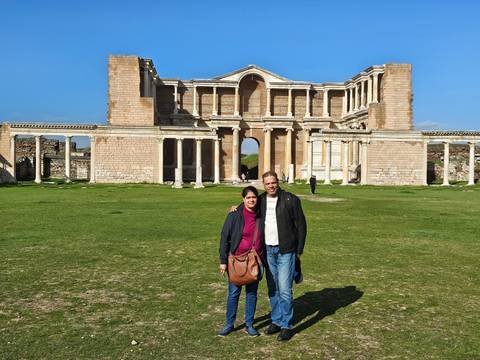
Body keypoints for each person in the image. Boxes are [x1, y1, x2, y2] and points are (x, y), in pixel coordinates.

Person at [260, 171, 307, 341]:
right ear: (263, 185)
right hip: (268, 250)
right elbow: (247, 206)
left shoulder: (290, 199)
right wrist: (236, 208)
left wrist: (299, 249)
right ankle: (277, 320)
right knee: (273, 288)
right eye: (267, 184)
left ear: (277, 182)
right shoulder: (261, 200)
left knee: (285, 289)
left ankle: (287, 325)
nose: (271, 186)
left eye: (273, 182)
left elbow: (301, 225)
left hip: (286, 250)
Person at [218, 186, 264, 337]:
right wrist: (223, 261)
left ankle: (249, 324)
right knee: (233, 293)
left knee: (252, 294)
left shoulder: (261, 215)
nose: (251, 200)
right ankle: (229, 324)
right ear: (243, 199)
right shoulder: (235, 215)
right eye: (248, 197)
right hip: (236, 260)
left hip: (254, 261)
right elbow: (225, 237)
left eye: (254, 197)